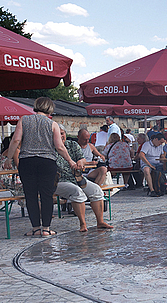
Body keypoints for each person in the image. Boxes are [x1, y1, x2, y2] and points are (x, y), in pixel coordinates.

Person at [3, 97, 77, 237]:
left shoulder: (24, 120)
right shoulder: (53, 124)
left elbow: (16, 140)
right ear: (50, 109)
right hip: (47, 162)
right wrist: (70, 161)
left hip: (27, 161)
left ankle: (35, 228)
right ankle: (46, 229)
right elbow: (59, 147)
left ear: (36, 106)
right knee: (46, 196)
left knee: (30, 196)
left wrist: (8, 158)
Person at [55, 132, 114, 232]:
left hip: (77, 177)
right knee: (77, 192)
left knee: (97, 190)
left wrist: (80, 163)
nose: (61, 136)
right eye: (58, 133)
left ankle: (100, 222)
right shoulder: (50, 148)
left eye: (62, 133)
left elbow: (82, 158)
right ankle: (83, 224)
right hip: (59, 180)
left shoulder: (72, 145)